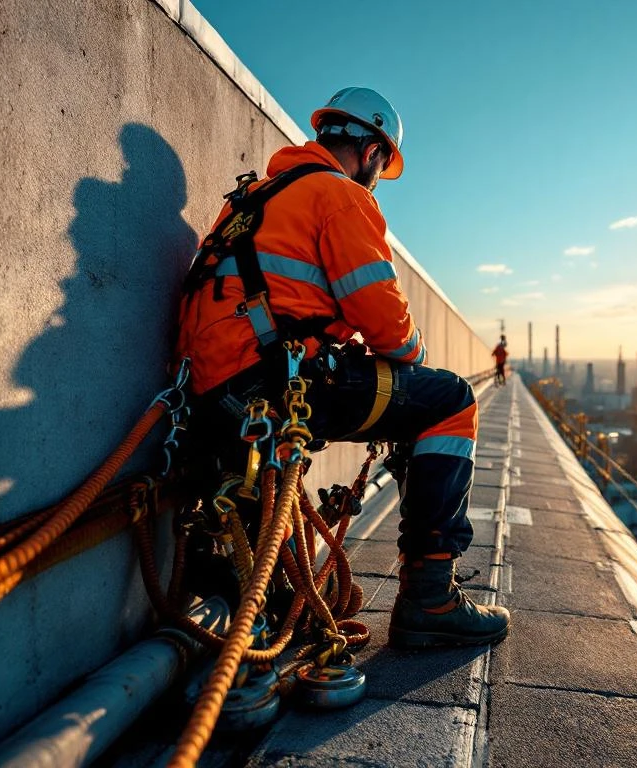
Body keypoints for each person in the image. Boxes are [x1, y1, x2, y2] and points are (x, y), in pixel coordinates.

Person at [175, 87, 509, 649]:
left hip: (212, 392)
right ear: (373, 152)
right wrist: (414, 364)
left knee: (412, 402)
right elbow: (383, 317)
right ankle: (430, 594)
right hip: (277, 381)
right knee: (449, 403)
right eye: (382, 164)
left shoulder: (251, 199)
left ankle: (274, 593)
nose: (378, 176)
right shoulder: (340, 195)